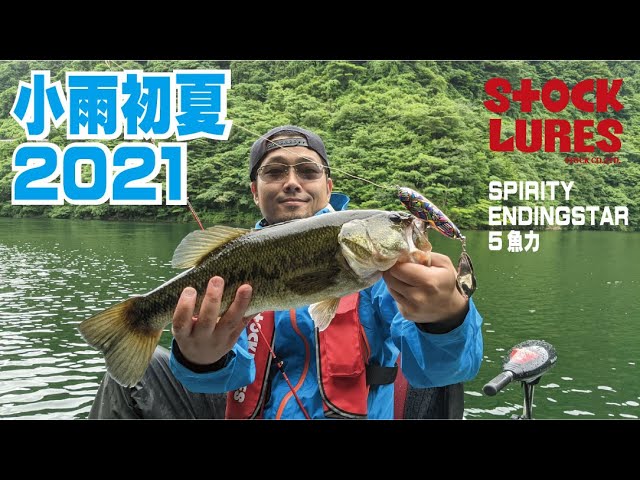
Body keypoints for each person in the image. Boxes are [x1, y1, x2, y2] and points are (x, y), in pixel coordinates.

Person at [88, 125, 483, 419]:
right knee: (132, 376)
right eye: (275, 172)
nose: (292, 183)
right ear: (254, 191)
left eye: (307, 171)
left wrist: (445, 319)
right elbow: (220, 381)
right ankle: (136, 319)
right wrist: (200, 360)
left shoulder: (389, 277)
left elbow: (445, 370)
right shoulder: (236, 259)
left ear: (328, 185)